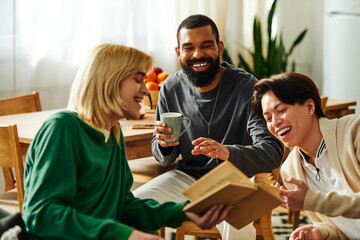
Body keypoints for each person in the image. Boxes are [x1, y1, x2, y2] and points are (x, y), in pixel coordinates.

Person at [21, 44, 232, 240]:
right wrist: (127, 235)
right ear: (110, 80)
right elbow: (42, 215)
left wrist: (184, 211)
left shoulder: (113, 134)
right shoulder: (63, 128)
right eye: (138, 80)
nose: (145, 89)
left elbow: (123, 206)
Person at [133, 14, 284, 239]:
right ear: (178, 53)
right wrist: (164, 145)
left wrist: (228, 152)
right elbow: (163, 155)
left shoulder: (246, 87)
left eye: (206, 46)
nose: (197, 54)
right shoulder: (170, 87)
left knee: (236, 220)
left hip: (235, 180)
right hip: (188, 178)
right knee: (134, 208)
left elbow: (273, 151)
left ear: (219, 47)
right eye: (188, 48)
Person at [252, 72, 360, 240]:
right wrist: (318, 232)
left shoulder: (354, 132)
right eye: (268, 118)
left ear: (310, 107)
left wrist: (312, 200)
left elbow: (318, 202)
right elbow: (339, 228)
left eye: (281, 110)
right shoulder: (290, 169)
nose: (275, 122)